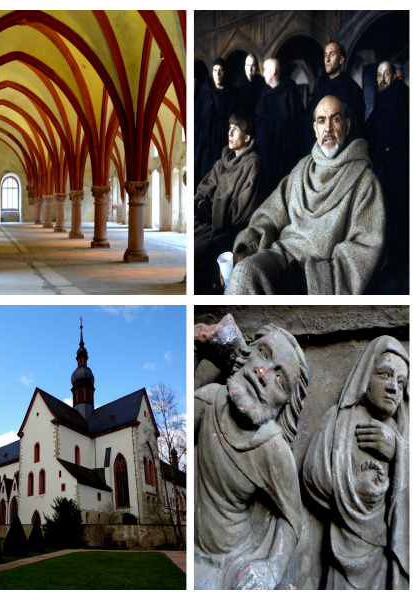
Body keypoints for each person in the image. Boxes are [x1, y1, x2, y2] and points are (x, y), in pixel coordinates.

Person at [225, 95, 384, 295]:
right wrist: (246, 248)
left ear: (347, 125)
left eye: (335, 119)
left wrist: (308, 281)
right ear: (315, 129)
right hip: (280, 256)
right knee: (244, 273)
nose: (328, 128)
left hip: (315, 274)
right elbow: (270, 213)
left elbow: (361, 251)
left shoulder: (365, 181)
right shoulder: (302, 168)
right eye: (321, 120)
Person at [194, 324, 309, 590]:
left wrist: (270, 568)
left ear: (285, 404)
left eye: (281, 381)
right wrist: (197, 345)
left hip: (232, 562)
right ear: (247, 353)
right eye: (264, 354)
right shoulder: (212, 401)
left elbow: (293, 519)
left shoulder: (273, 450)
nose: (262, 373)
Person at [302, 336, 409, 589]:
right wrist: (351, 487)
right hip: (344, 550)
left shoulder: (405, 433)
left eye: (401, 381)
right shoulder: (338, 421)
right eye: (385, 374)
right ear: (365, 377)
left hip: (387, 552)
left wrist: (398, 452)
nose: (394, 387)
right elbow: (312, 475)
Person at [193, 112, 264, 294]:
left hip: (227, 229)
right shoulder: (221, 163)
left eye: (236, 129)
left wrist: (214, 210)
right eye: (229, 128)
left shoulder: (253, 166)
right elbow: (203, 190)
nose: (230, 133)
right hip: (207, 224)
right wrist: (201, 205)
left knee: (197, 252)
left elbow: (243, 209)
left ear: (247, 137)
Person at [364, 61, 409, 293]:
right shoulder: (384, 101)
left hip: (397, 171)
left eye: (386, 74)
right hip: (385, 168)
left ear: (395, 76)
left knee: (396, 220)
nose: (382, 79)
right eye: (379, 74)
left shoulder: (401, 98)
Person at [304, 41, 365, 153]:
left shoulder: (352, 89)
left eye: (332, 54)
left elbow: (355, 127)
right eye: (325, 55)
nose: (327, 60)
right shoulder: (319, 85)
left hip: (340, 150)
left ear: (341, 60)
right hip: (315, 148)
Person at [255, 58, 305, 194]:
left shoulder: (290, 94)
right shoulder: (264, 94)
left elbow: (298, 131)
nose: (263, 73)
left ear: (273, 71)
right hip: (264, 160)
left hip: (284, 162)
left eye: (265, 70)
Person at [194, 58, 241, 189]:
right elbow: (196, 123)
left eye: (221, 71)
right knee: (205, 181)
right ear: (212, 72)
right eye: (215, 70)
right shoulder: (205, 93)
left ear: (224, 73)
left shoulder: (232, 94)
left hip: (224, 145)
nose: (218, 74)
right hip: (206, 147)